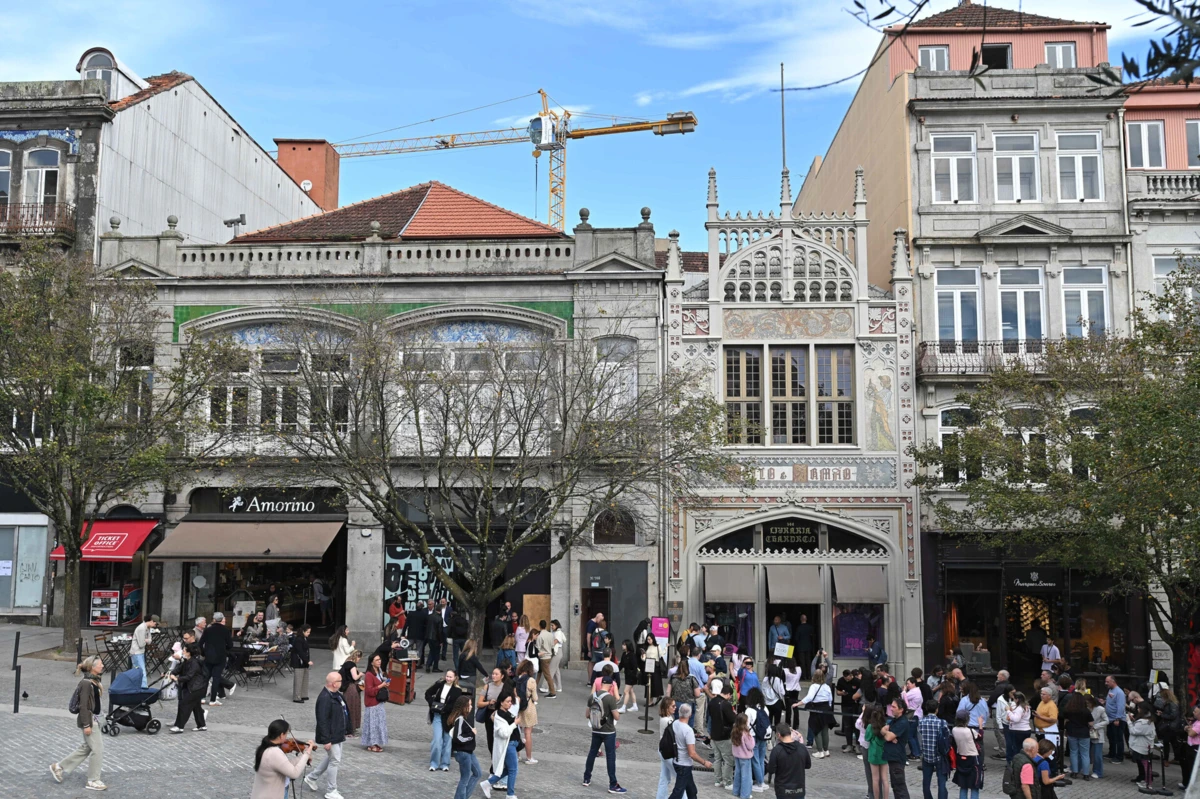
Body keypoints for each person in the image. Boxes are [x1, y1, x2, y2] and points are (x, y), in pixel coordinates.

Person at [49, 656, 107, 791]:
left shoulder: (94, 680)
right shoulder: (86, 683)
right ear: (92, 667)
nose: (103, 666)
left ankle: (58, 767)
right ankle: (93, 780)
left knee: (86, 748)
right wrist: (87, 725)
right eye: (100, 664)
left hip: (95, 719)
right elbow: (83, 706)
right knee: (97, 750)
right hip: (90, 721)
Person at [582, 666, 626, 794]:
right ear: (611, 685)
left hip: (596, 729)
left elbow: (587, 715)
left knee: (592, 753)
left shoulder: (592, 696)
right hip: (608, 731)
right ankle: (613, 784)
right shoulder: (610, 698)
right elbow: (616, 716)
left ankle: (586, 778)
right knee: (610, 756)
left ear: (601, 684)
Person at [303, 672, 347, 799]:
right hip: (331, 735)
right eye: (340, 681)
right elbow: (322, 720)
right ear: (333, 684)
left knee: (332, 758)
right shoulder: (325, 698)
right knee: (335, 761)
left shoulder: (336, 694)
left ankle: (312, 777)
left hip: (337, 733)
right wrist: (327, 740)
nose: (341, 683)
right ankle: (331, 790)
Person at [250, 718, 316, 799]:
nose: (286, 737)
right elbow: (294, 773)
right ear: (281, 735)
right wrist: (307, 753)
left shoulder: (264, 747)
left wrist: (302, 757)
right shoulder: (275, 752)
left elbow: (284, 765)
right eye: (286, 734)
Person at [667, 702, 713, 799]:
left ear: (679, 712)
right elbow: (692, 753)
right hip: (684, 765)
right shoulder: (688, 731)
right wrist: (704, 762)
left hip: (678, 761)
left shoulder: (675, 723)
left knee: (691, 790)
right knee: (678, 792)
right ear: (690, 714)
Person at [482, 693, 520, 798]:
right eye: (508, 701)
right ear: (501, 703)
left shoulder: (506, 712)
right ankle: (510, 794)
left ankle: (488, 783)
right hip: (508, 745)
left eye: (511, 701)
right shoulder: (499, 715)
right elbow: (504, 733)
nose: (510, 703)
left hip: (512, 743)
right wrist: (515, 724)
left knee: (509, 769)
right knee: (513, 770)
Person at [425, 668, 463, 772]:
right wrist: (432, 703)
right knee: (437, 740)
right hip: (437, 715)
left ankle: (445, 763)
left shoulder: (457, 690)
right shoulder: (439, 684)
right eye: (447, 676)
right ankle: (434, 763)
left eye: (450, 677)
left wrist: (445, 708)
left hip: (449, 717)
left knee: (447, 741)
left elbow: (455, 705)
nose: (448, 678)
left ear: (455, 678)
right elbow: (428, 693)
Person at [793, 667, 834, 758]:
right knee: (825, 731)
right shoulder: (827, 686)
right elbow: (830, 699)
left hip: (816, 709)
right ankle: (826, 750)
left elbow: (809, 698)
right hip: (826, 709)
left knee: (816, 730)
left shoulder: (813, 686)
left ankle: (820, 751)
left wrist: (798, 704)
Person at [766, 721, 813, 799]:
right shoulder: (802, 748)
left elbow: (771, 770)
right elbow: (808, 765)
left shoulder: (777, 750)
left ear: (778, 735)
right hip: (799, 790)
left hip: (783, 791)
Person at [167, 642, 208, 733]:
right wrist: (172, 673)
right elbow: (178, 669)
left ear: (189, 653)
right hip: (194, 687)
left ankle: (179, 726)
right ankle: (202, 725)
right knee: (196, 707)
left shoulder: (194, 663)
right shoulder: (186, 661)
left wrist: (177, 678)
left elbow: (189, 676)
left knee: (184, 705)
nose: (182, 652)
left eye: (184, 651)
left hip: (195, 688)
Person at [448, 695, 482, 799]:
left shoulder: (464, 718)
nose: (471, 707)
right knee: (465, 779)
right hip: (463, 752)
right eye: (469, 705)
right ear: (463, 707)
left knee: (477, 773)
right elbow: (458, 737)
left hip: (468, 752)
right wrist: (471, 735)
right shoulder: (460, 719)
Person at [918, 699, 951, 799]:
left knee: (926, 782)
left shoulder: (921, 722)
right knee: (941, 783)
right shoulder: (942, 722)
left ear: (926, 709)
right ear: (937, 709)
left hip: (926, 755)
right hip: (939, 756)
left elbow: (919, 736)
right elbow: (947, 736)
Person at [201, 611, 234, 706]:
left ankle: (202, 698)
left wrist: (204, 653)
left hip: (208, 656)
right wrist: (224, 649)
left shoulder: (208, 630)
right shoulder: (225, 630)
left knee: (206, 678)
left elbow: (200, 643)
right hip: (220, 657)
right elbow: (230, 645)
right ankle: (212, 700)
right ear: (222, 619)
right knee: (216, 678)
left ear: (214, 619)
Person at [882, 697, 913, 799]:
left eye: (894, 707)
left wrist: (888, 734)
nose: (891, 709)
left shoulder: (902, 722)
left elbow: (888, 737)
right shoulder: (894, 720)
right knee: (896, 786)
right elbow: (882, 731)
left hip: (897, 758)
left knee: (899, 787)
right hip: (892, 757)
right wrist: (887, 732)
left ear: (901, 709)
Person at [710, 678, 738, 789]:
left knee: (717, 759)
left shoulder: (712, 702)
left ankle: (718, 780)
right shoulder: (726, 704)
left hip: (714, 734)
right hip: (724, 735)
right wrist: (734, 713)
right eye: (730, 696)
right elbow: (732, 719)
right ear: (728, 694)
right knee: (728, 760)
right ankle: (728, 782)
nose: (730, 698)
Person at [360, 653, 390, 752]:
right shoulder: (369, 675)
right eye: (377, 660)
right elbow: (369, 691)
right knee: (372, 724)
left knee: (378, 724)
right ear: (372, 662)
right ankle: (371, 744)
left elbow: (379, 683)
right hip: (372, 703)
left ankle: (375, 742)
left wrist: (385, 684)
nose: (379, 661)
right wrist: (381, 685)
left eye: (379, 659)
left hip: (379, 702)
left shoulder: (379, 671)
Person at [951, 711, 983, 799]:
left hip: (961, 758)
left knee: (963, 785)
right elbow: (980, 737)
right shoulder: (970, 731)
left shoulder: (954, 730)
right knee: (974, 786)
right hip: (973, 759)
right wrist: (980, 724)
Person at [1060, 690, 1091, 779]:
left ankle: (1074, 772)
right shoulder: (1086, 711)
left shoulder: (1068, 710)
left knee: (1073, 752)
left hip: (1072, 732)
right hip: (1084, 733)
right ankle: (1086, 774)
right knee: (1085, 754)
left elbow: (1065, 721)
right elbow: (1091, 723)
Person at [514, 659, 539, 764]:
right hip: (529, 708)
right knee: (527, 732)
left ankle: (516, 755)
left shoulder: (517, 679)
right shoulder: (531, 680)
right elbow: (535, 697)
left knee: (517, 732)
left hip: (517, 707)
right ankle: (529, 757)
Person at [865, 705, 890, 799]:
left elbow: (867, 738)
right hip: (884, 752)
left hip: (874, 753)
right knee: (885, 779)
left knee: (875, 779)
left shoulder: (870, 726)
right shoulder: (886, 725)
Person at [1130, 701, 1157, 789]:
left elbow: (1134, 731)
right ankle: (1144, 779)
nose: (1137, 709)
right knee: (1143, 764)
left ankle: (1148, 782)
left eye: (1139, 708)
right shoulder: (1148, 720)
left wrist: (1129, 722)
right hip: (1143, 745)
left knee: (1145, 764)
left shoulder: (1144, 722)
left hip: (1143, 746)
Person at [129, 614, 160, 688]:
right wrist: (146, 640)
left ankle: (136, 687)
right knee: (141, 671)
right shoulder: (142, 628)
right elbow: (141, 644)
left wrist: (146, 640)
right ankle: (144, 687)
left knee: (138, 671)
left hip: (140, 652)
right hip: (136, 652)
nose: (155, 625)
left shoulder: (147, 628)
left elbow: (150, 640)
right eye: (155, 623)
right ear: (152, 621)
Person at [337, 649, 362, 737]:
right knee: (353, 707)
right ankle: (351, 728)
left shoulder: (346, 663)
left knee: (347, 707)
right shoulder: (352, 665)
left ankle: (347, 727)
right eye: (359, 658)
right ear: (357, 657)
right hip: (351, 688)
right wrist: (360, 674)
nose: (359, 660)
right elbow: (355, 677)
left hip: (346, 689)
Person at [657, 697, 678, 799]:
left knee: (664, 777)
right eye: (673, 706)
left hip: (663, 749)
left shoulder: (667, 718)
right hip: (667, 751)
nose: (675, 707)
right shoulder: (667, 720)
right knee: (679, 777)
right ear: (667, 707)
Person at [731, 713, 755, 799]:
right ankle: (745, 794)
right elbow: (751, 746)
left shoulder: (734, 731)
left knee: (737, 774)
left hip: (737, 756)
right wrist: (752, 738)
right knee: (746, 777)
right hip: (745, 757)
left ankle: (736, 791)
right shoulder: (745, 733)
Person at [532, 619, 556, 699]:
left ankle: (552, 692)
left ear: (540, 626)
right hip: (549, 656)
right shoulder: (550, 634)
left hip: (543, 657)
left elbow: (538, 647)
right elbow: (552, 645)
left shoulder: (540, 636)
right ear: (546, 626)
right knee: (539, 673)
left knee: (546, 675)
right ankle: (533, 689)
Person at [1179, 703, 1200, 790]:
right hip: (1189, 746)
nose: (1193, 713)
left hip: (1195, 748)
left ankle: (1192, 787)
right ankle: (1187, 783)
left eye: (1195, 712)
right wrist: (1188, 728)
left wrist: (1188, 729)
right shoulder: (1196, 722)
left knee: (1192, 768)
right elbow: (1189, 728)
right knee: (1187, 765)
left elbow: (1191, 733)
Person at [1007, 691, 1032, 764]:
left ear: (1017, 699)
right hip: (1026, 729)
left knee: (1017, 749)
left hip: (1018, 731)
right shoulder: (1026, 707)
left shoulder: (1020, 708)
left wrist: (1008, 711)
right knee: (1023, 748)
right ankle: (1024, 763)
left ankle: (1017, 764)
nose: (1013, 700)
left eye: (1014, 699)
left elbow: (1016, 719)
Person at [291, 624, 313, 703]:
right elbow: (300, 651)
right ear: (303, 631)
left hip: (303, 662)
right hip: (298, 661)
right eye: (307, 632)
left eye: (309, 632)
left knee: (304, 678)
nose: (309, 633)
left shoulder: (304, 638)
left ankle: (303, 694)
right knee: (299, 680)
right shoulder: (298, 639)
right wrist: (307, 661)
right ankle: (297, 697)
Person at [1085, 693, 1106, 779]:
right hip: (1087, 733)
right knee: (1087, 753)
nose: (1087, 705)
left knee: (1097, 755)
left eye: (1088, 703)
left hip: (1097, 733)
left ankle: (1098, 771)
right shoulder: (1086, 709)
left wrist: (1096, 726)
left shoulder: (1100, 709)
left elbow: (1106, 720)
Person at [643, 633, 666, 704]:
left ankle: (654, 698)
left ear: (653, 639)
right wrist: (643, 657)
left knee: (655, 683)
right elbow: (644, 658)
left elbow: (661, 654)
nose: (648, 641)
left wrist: (666, 647)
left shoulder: (657, 646)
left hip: (655, 666)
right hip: (648, 665)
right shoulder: (646, 647)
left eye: (649, 639)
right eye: (647, 639)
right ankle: (650, 700)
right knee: (649, 683)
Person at [618, 639, 640, 712]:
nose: (622, 646)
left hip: (631, 676)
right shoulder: (624, 654)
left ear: (628, 646)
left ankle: (623, 707)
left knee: (626, 691)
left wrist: (633, 675)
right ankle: (635, 705)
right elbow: (621, 664)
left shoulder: (632, 655)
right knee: (630, 691)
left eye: (624, 645)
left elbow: (635, 667)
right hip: (627, 675)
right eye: (622, 644)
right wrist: (616, 670)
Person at [426, 598, 447, 673]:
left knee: (432, 651)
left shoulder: (430, 616)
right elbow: (439, 631)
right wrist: (441, 640)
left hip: (429, 637)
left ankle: (428, 665)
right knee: (436, 653)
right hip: (436, 638)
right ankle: (434, 667)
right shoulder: (439, 618)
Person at [783, 658, 804, 730]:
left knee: (788, 708)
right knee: (795, 707)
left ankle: (788, 723)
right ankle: (796, 724)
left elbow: (783, 680)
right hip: (796, 690)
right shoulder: (799, 669)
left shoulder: (785, 671)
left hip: (788, 690)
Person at [407, 599, 429, 665]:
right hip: (420, 635)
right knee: (419, 650)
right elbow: (426, 626)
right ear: (422, 607)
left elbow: (406, 624)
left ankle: (409, 661)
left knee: (409, 648)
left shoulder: (411, 613)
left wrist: (403, 633)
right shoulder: (424, 615)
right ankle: (416, 663)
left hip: (411, 634)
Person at [549, 619, 566, 694]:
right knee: (556, 670)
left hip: (557, 651)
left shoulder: (558, 633)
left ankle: (546, 686)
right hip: (556, 651)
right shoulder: (555, 632)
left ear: (556, 625)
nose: (551, 627)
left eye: (552, 625)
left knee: (551, 669)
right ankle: (558, 687)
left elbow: (554, 642)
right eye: (551, 625)